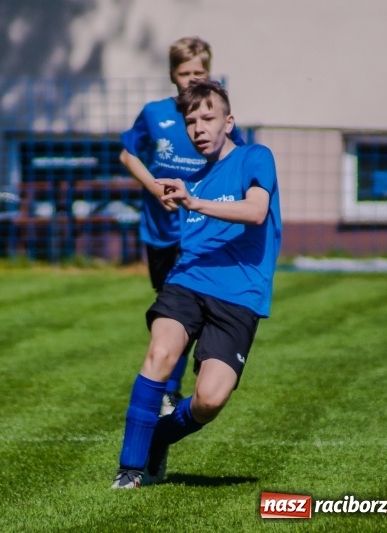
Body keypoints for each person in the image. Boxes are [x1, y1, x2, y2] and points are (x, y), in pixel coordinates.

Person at [111, 79, 282, 488]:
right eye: (191, 121)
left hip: (240, 295)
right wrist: (172, 194)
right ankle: (129, 470)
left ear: (229, 121)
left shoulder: (255, 157)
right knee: (160, 352)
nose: (198, 128)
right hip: (187, 282)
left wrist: (194, 202)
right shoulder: (193, 180)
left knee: (209, 400)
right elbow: (135, 163)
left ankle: (156, 440)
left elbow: (257, 211)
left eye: (208, 118)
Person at [119, 37, 243, 416]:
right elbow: (128, 154)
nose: (191, 80)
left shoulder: (213, 118)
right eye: (184, 73)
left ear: (209, 72)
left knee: (192, 306)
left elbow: (233, 162)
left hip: (200, 230)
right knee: (169, 314)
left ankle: (170, 389)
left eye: (199, 72)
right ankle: (170, 386)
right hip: (161, 230)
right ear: (173, 74)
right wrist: (154, 188)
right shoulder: (155, 114)